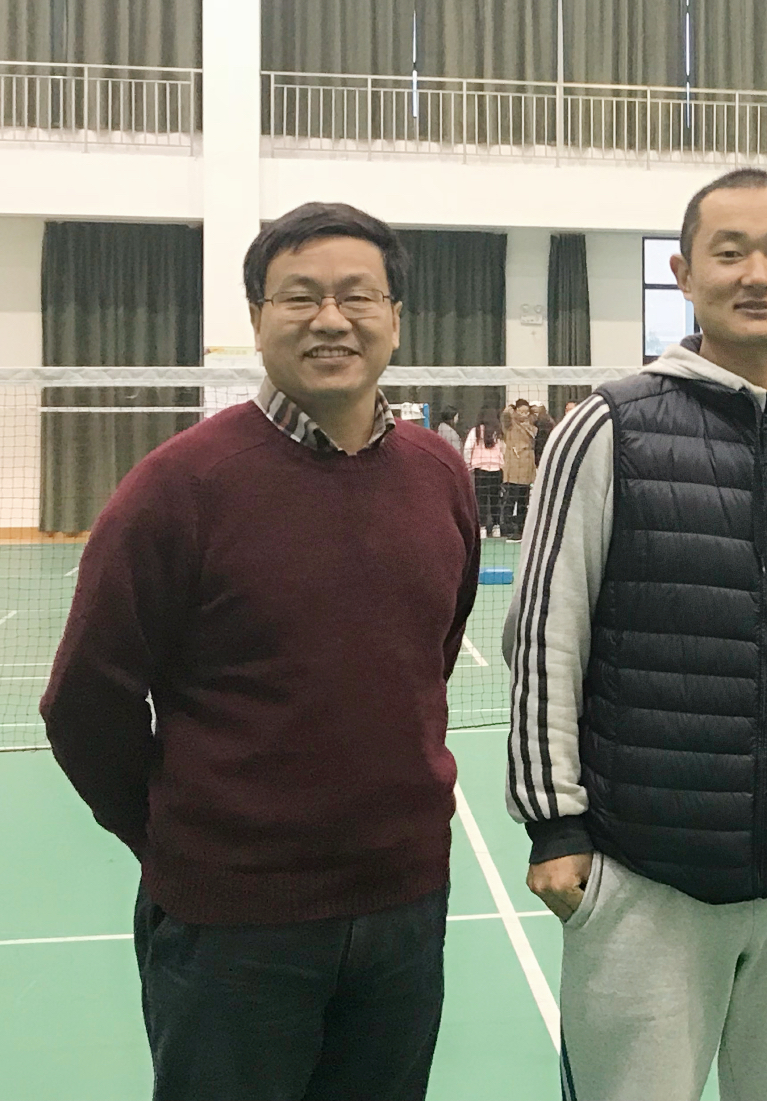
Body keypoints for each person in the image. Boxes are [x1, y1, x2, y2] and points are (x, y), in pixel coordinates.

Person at [505, 167, 767, 1101]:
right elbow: (543, 636)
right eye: (730, 253)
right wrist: (555, 823)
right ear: (685, 274)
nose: (758, 274)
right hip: (644, 872)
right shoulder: (607, 428)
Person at [40, 201, 480, 1101]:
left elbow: (431, 652)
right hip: (231, 927)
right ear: (256, 317)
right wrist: (180, 840)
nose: (332, 319)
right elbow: (84, 702)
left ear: (396, 317)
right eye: (301, 297)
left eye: (358, 296)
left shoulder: (439, 474)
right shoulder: (178, 487)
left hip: (404, 909)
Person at [500, 397, 538, 541]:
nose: (524, 415)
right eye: (521, 412)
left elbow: (539, 414)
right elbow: (505, 415)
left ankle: (522, 529)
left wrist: (532, 409)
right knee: (510, 499)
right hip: (514, 466)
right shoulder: (510, 425)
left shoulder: (532, 424)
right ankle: (508, 529)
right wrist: (512, 407)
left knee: (524, 500)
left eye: (526, 412)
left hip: (527, 466)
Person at [464, 407, 506, 538]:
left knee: (480, 499)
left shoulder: (475, 431)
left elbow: (468, 448)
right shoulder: (498, 431)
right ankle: (496, 526)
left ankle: (481, 527)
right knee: (495, 499)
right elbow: (503, 449)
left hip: (480, 469)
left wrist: (468, 464)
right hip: (496, 469)